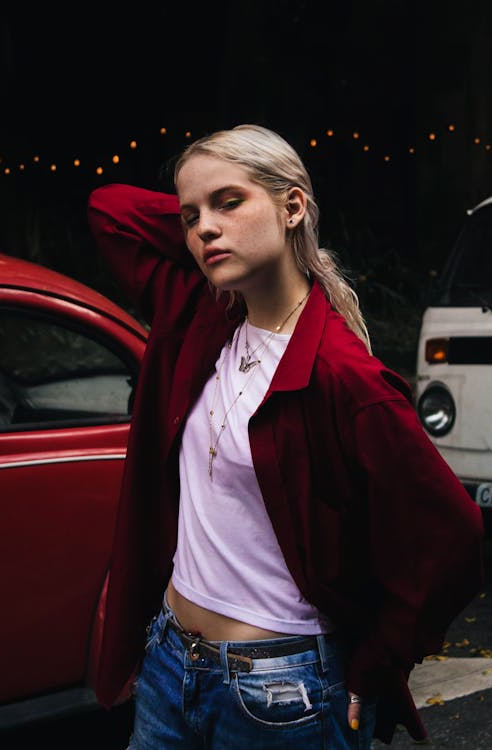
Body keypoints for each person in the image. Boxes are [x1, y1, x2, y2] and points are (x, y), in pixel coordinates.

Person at [87, 124, 484, 749]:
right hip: (168, 663)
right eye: (191, 217)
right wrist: (218, 209)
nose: (203, 229)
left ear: (294, 205)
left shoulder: (346, 378)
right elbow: (109, 210)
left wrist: (377, 663)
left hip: (280, 692)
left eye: (229, 202)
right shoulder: (202, 313)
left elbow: (455, 537)